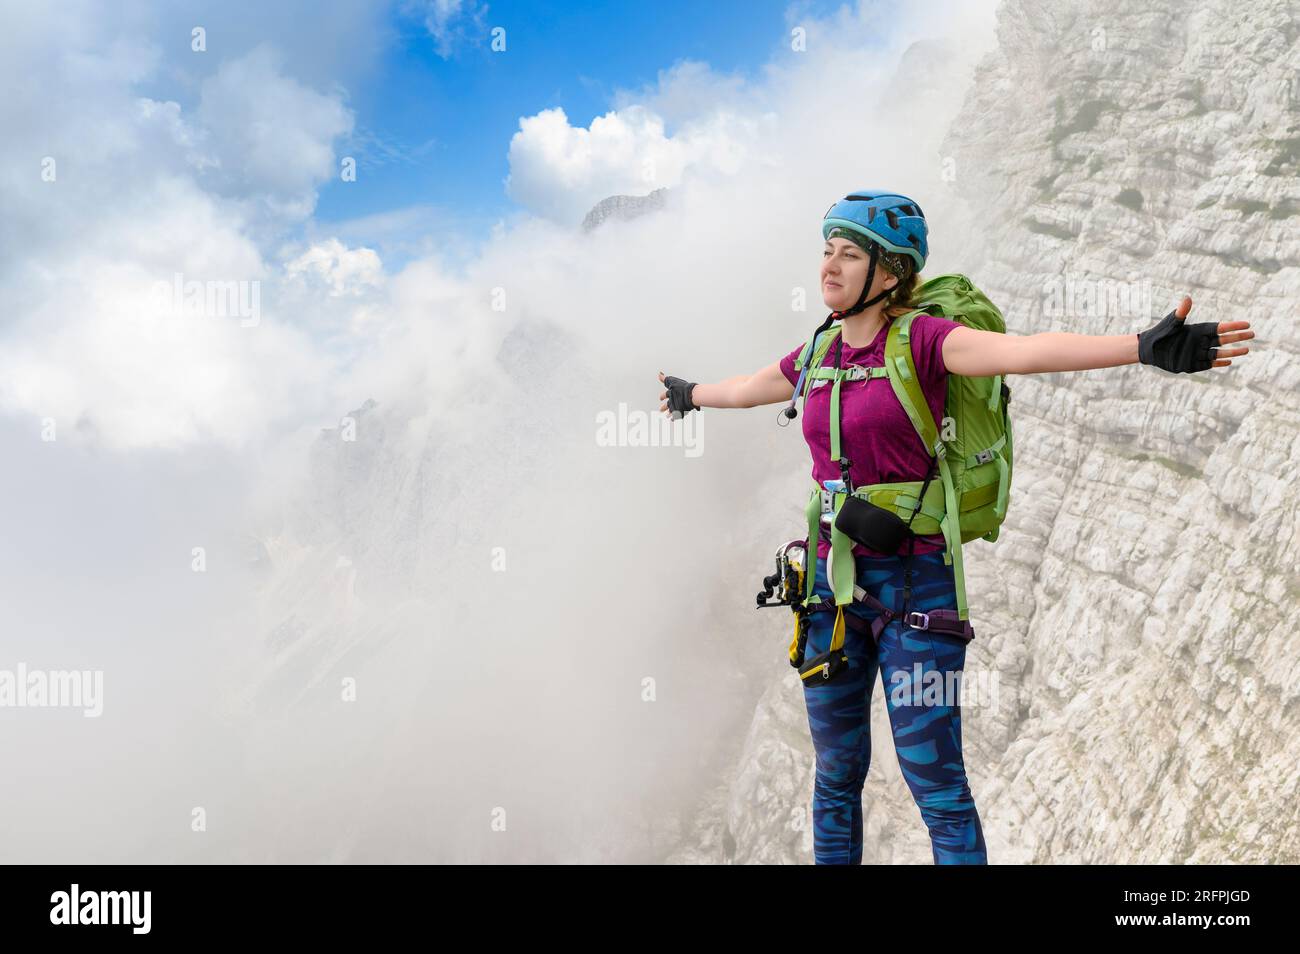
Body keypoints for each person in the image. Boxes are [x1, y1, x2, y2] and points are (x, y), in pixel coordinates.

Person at [656, 190, 1254, 865]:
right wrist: (691, 394)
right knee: (835, 779)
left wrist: (1141, 348)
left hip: (917, 594)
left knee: (937, 789)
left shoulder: (925, 341)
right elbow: (748, 386)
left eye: (848, 253)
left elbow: (1026, 352)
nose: (829, 265)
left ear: (890, 273)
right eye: (827, 249)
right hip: (829, 593)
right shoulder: (820, 350)